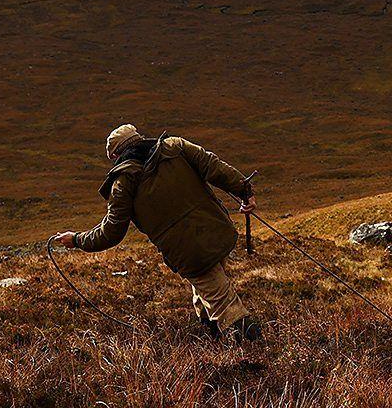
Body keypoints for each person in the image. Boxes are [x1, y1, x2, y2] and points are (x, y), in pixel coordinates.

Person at [53, 124, 262, 341]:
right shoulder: (176, 146)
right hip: (218, 230)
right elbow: (214, 167)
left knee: (223, 301)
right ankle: (211, 337)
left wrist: (77, 240)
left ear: (116, 155)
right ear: (139, 138)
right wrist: (245, 192)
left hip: (189, 252)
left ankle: (254, 350)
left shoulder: (122, 183)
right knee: (209, 286)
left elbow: (111, 232)